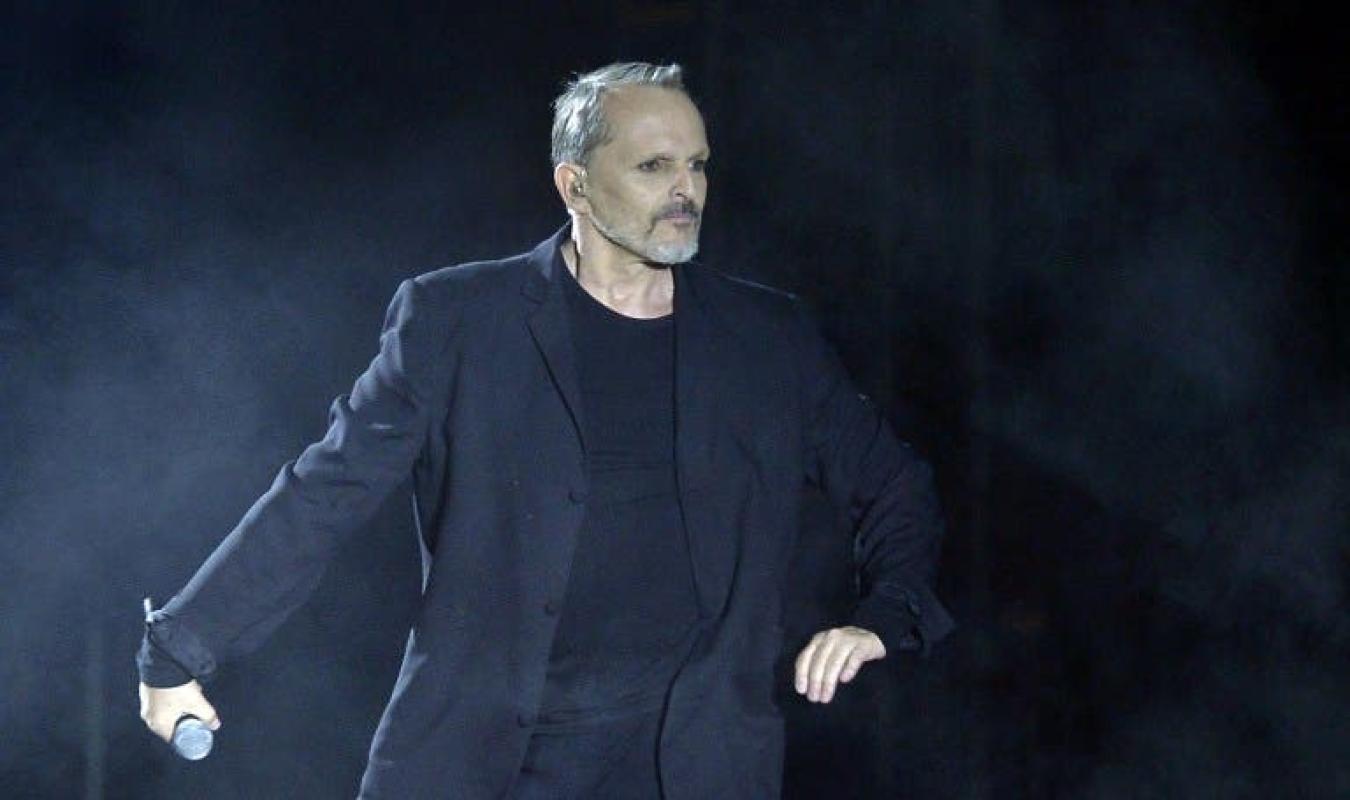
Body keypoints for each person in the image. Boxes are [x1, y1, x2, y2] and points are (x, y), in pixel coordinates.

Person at [137, 61, 954, 799]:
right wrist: (179, 648)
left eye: (698, 164)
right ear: (575, 186)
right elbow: (326, 491)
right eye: (653, 166)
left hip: (692, 766)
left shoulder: (765, 338)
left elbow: (895, 485)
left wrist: (882, 616)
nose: (686, 190)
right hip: (482, 764)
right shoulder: (458, 320)